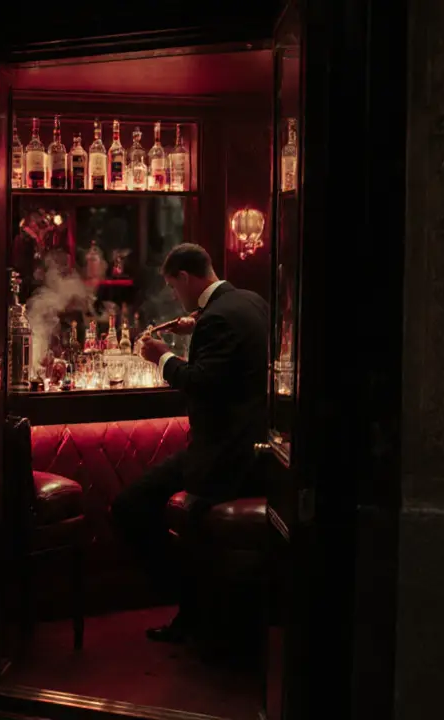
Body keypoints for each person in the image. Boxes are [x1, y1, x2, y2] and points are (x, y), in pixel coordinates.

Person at [116, 243, 270, 644]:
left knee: (129, 506)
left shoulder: (217, 317)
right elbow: (229, 346)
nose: (173, 295)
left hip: (223, 455)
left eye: (172, 286)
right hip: (251, 446)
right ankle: (196, 608)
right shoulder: (251, 301)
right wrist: (196, 324)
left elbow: (203, 383)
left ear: (185, 277)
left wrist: (162, 357)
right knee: (140, 502)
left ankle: (190, 601)